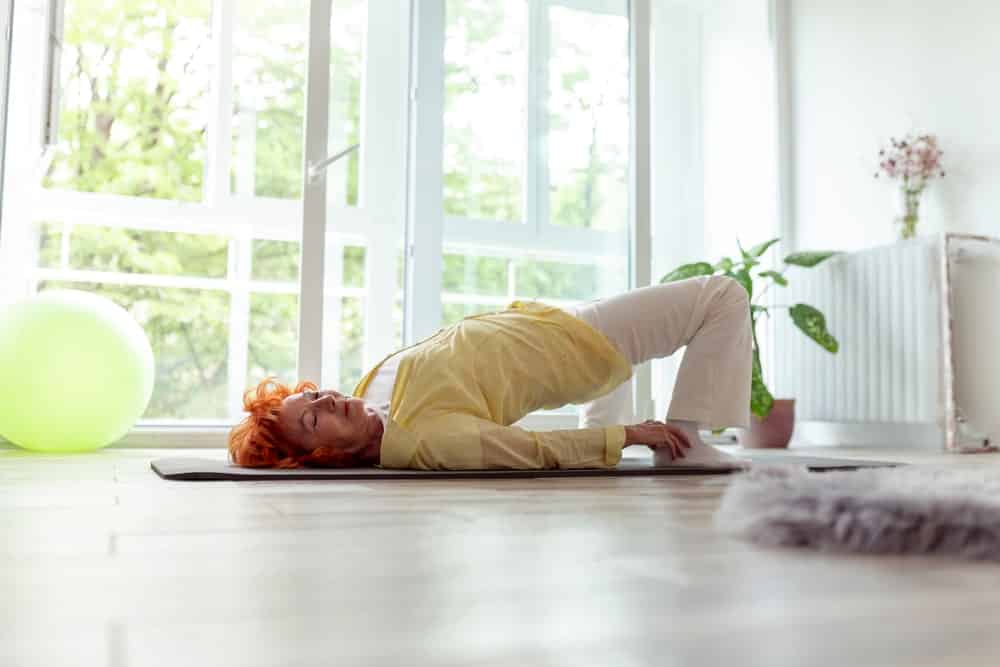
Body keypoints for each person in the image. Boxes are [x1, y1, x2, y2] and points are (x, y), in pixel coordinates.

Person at [228, 275, 751, 470]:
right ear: (323, 455)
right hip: (583, 343)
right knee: (723, 295)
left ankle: (627, 439)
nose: (327, 400)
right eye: (314, 420)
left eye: (314, 394)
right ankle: (686, 437)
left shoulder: (370, 395)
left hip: (553, 321)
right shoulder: (427, 439)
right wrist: (631, 435)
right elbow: (531, 452)